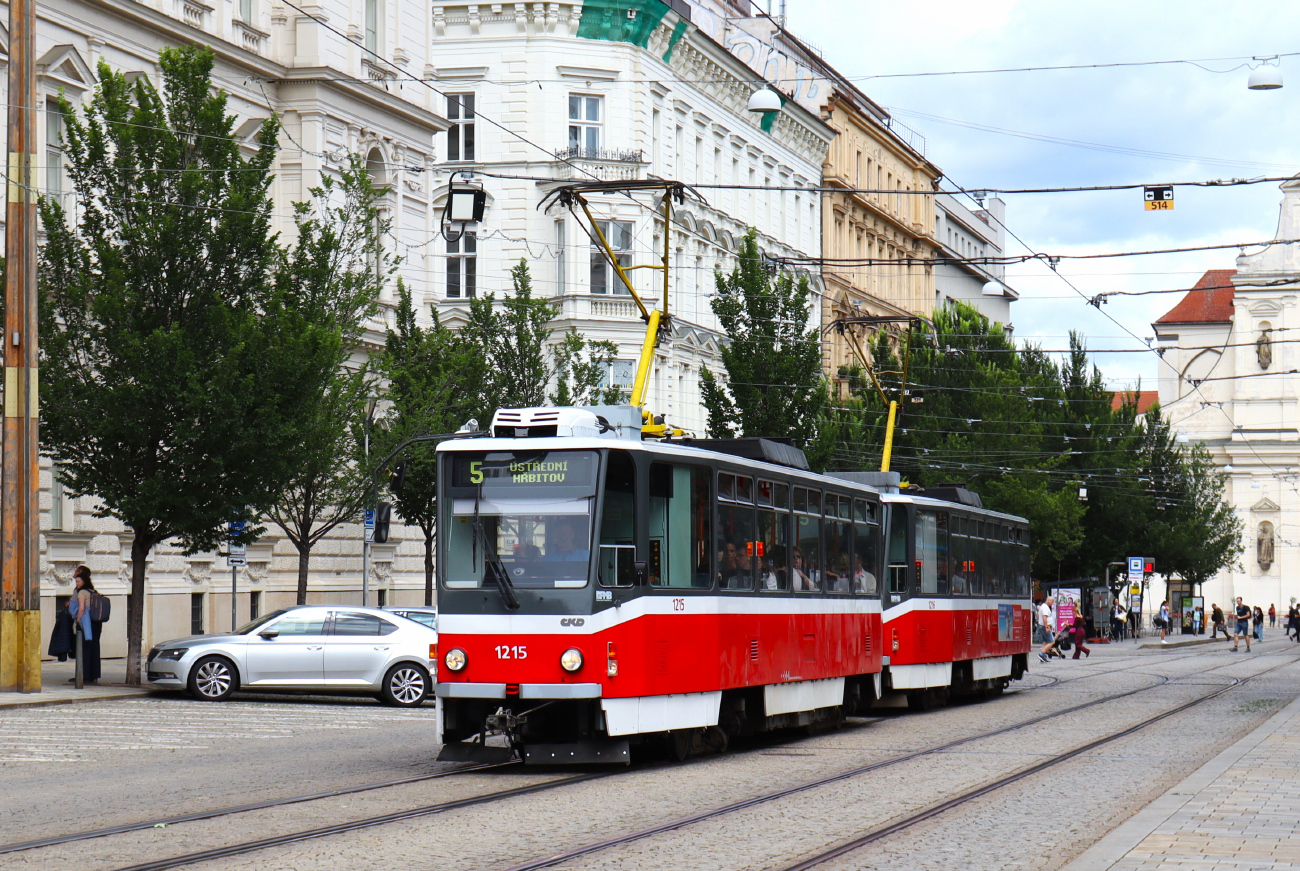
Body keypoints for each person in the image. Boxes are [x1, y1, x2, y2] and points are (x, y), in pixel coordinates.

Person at [70, 565, 102, 684]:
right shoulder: (93, 591)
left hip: (86, 622)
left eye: (78, 581)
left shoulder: (82, 592)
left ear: (83, 581)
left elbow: (81, 609)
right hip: (96, 623)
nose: (77, 584)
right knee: (94, 648)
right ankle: (94, 674)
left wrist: (78, 620)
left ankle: (83, 675)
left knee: (84, 649)